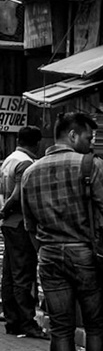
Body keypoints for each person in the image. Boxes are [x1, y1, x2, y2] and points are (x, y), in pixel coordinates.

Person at [17, 111, 103, 351]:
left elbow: (29, 225)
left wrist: (46, 250)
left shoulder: (30, 172)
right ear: (73, 135)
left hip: (49, 256)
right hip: (86, 255)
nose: (91, 143)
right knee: (96, 326)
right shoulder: (90, 165)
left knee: (60, 330)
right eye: (89, 137)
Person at [1, 125, 48, 338]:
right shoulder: (26, 163)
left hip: (9, 224)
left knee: (10, 274)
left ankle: (12, 320)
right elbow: (18, 195)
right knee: (23, 274)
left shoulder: (10, 159)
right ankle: (26, 321)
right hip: (20, 223)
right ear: (36, 143)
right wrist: (5, 210)